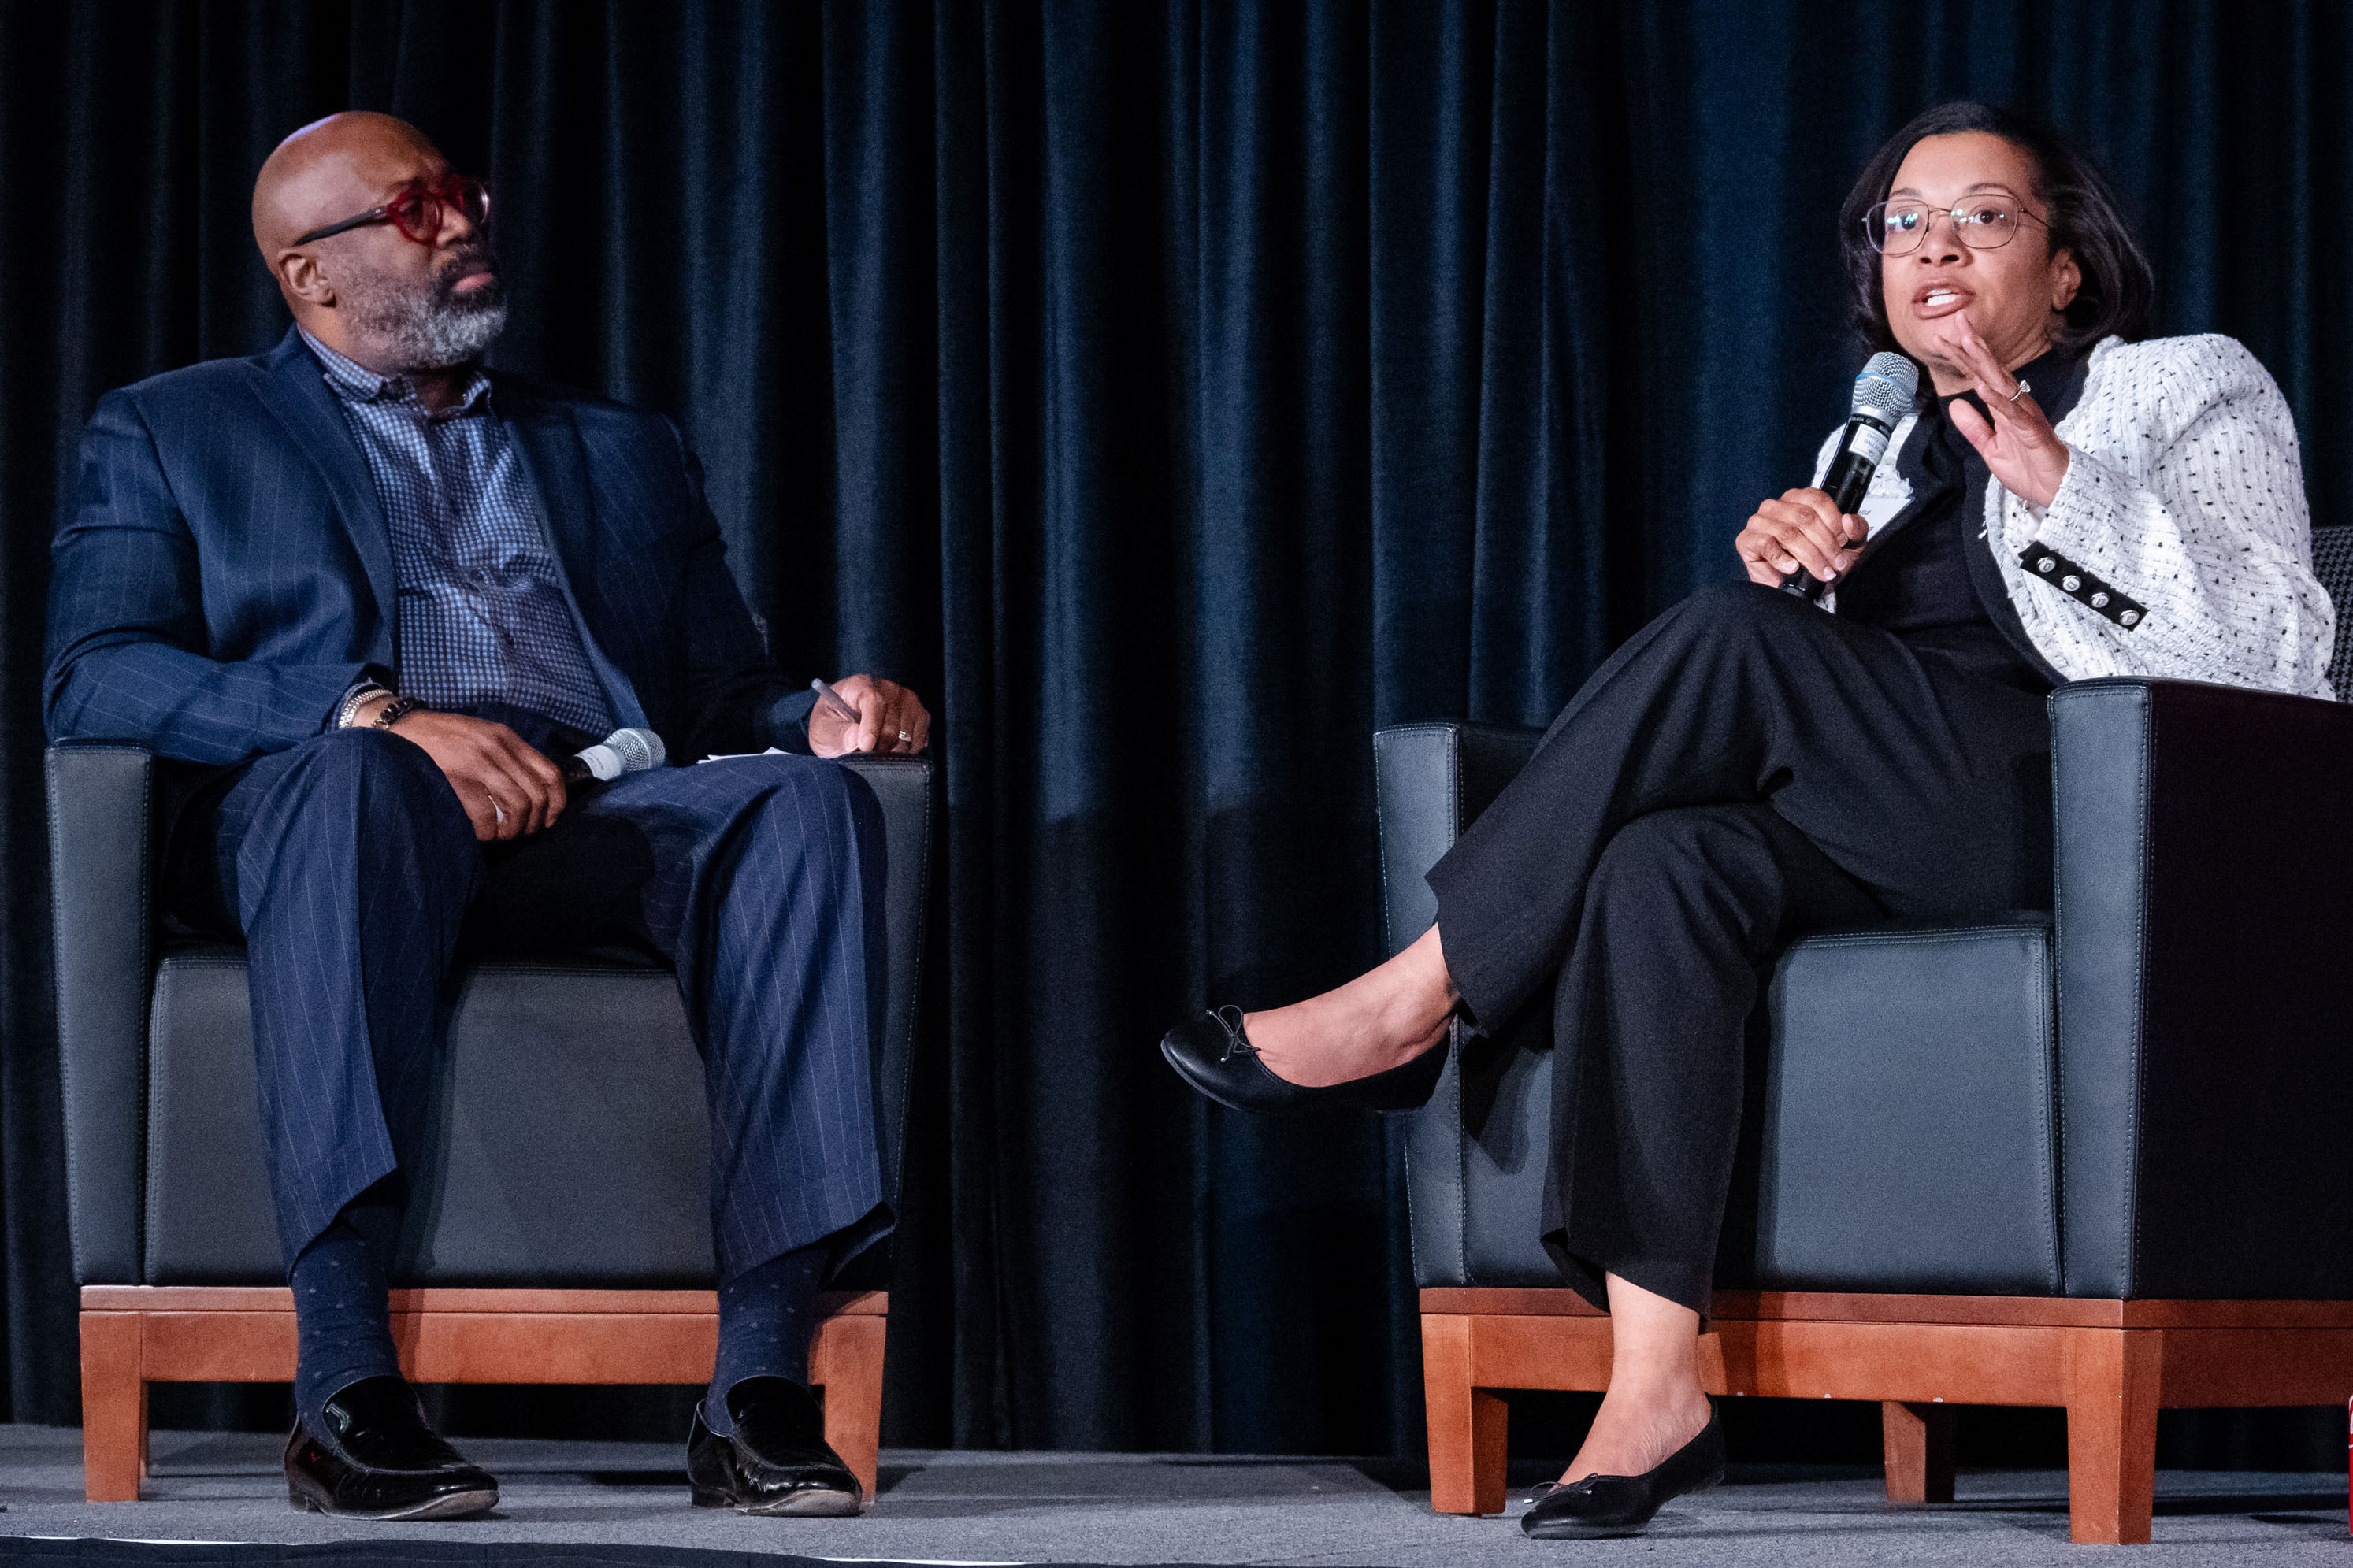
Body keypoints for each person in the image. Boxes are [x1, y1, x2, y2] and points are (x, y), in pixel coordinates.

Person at [1164, 101, 2333, 1540]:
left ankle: (1413, 997)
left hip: (2086, 818)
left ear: (2069, 266)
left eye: (1983, 216)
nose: (1934, 247)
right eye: (1903, 224)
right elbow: (1856, 692)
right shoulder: (1887, 442)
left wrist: (2064, 484)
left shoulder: (2180, 386)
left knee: (1729, 642)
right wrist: (1812, 589)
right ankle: (1655, 1383)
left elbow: (2283, 651)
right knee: (1668, 864)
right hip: (1905, 818)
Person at [46, 111, 933, 1522]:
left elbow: (721, 690)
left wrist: (810, 717)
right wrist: (372, 718)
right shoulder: (175, 427)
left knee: (805, 809)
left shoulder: (617, 444)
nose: (463, 221)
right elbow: (95, 673)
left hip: (587, 808)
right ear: (311, 276)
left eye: (460, 194)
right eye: (414, 210)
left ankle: (756, 1388)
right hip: (331, 810)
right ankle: (347, 1392)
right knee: (359, 788)